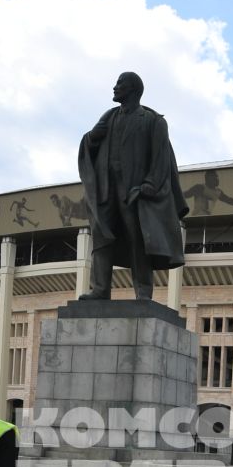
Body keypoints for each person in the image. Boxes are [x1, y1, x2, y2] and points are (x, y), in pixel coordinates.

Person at [78, 71, 190, 301]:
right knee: (101, 237)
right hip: (107, 189)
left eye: (120, 83)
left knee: (138, 240)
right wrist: (91, 137)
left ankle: (143, 293)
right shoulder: (109, 117)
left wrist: (148, 186)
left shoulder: (153, 121)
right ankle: (100, 290)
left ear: (133, 90)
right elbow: (90, 146)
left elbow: (162, 159)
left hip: (134, 192)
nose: (114, 87)